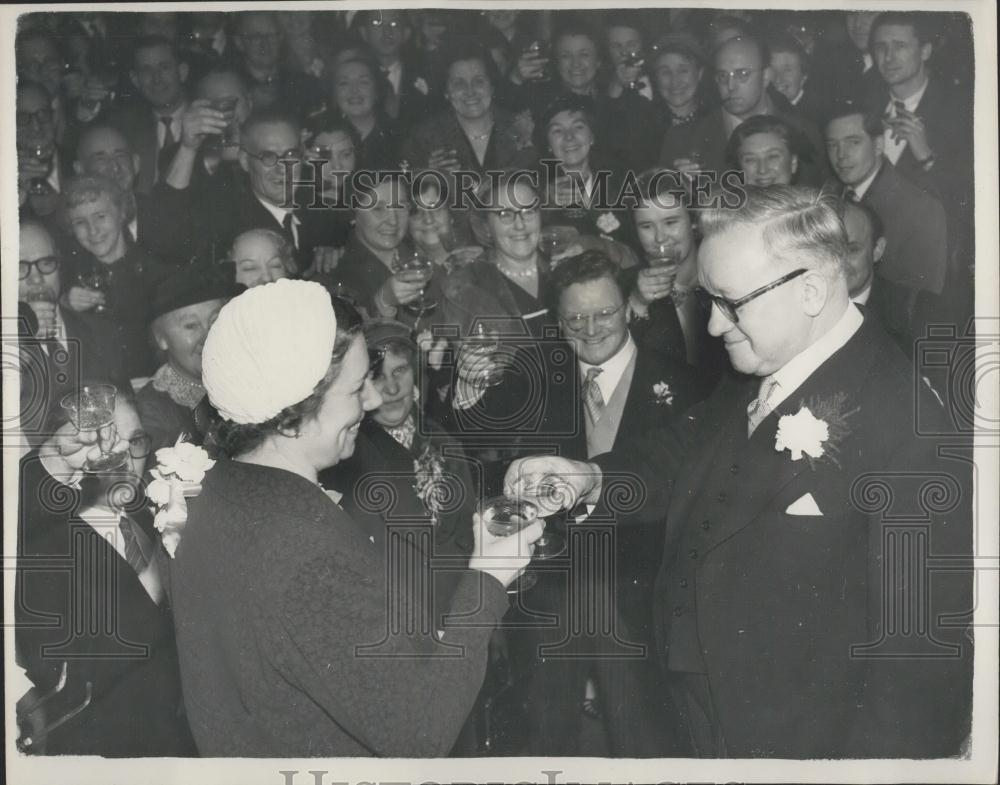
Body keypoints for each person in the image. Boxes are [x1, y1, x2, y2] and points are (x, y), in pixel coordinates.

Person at [503, 185, 972, 758]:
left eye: (732, 304)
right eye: (709, 303)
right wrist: (592, 477)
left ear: (812, 291)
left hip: (797, 745)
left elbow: (918, 662)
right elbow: (685, 450)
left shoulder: (908, 426)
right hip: (703, 716)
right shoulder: (764, 362)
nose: (717, 327)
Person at [167, 279, 542, 756]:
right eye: (354, 388)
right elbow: (419, 731)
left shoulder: (224, 490)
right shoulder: (298, 544)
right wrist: (488, 578)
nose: (370, 402)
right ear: (291, 416)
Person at [15, 395, 196, 756]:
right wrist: (50, 463)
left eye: (136, 442)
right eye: (103, 443)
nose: (123, 456)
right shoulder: (44, 546)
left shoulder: (155, 519)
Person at [824, 106, 948, 322]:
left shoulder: (920, 208)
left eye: (853, 142)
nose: (841, 155)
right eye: (832, 145)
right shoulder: (827, 193)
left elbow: (919, 303)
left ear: (879, 145)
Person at [659, 35, 827, 186]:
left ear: (766, 76)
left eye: (743, 74)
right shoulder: (681, 140)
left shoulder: (805, 132)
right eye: (723, 76)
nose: (730, 86)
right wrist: (679, 189)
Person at [17, 220, 127, 449]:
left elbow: (127, 413)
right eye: (19, 268)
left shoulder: (101, 330)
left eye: (46, 263)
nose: (36, 279)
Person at [60, 174, 172, 381]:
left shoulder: (157, 273)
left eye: (100, 216)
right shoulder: (66, 277)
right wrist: (64, 303)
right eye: (80, 222)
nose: (92, 230)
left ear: (121, 213)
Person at [136, 266, 233, 457]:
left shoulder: (246, 378)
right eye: (191, 326)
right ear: (160, 338)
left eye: (215, 321)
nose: (209, 337)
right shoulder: (151, 412)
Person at [105, 36, 190, 193]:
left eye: (164, 67)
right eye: (146, 70)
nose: (156, 79)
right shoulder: (123, 126)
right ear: (135, 79)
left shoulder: (206, 118)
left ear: (182, 72)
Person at [230, 10, 323, 120]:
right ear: (239, 42)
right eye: (255, 36)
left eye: (271, 35)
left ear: (281, 38)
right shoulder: (231, 86)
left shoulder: (304, 84)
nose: (265, 43)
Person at [726, 114, 805, 187]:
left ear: (793, 163)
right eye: (750, 160)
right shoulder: (721, 201)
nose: (762, 170)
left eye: (772, 157)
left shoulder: (812, 201)